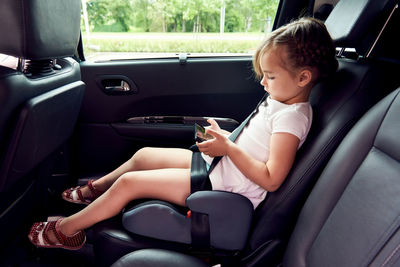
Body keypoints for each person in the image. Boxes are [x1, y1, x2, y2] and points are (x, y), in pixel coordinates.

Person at [28, 17, 338, 250]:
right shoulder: (280, 100)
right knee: (143, 156)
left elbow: (271, 178)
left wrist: (228, 150)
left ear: (303, 77)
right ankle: (96, 192)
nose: (263, 83)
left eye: (269, 76)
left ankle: (68, 232)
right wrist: (226, 140)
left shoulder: (293, 118)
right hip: (221, 167)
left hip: (226, 187)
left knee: (129, 184)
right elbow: (257, 145)